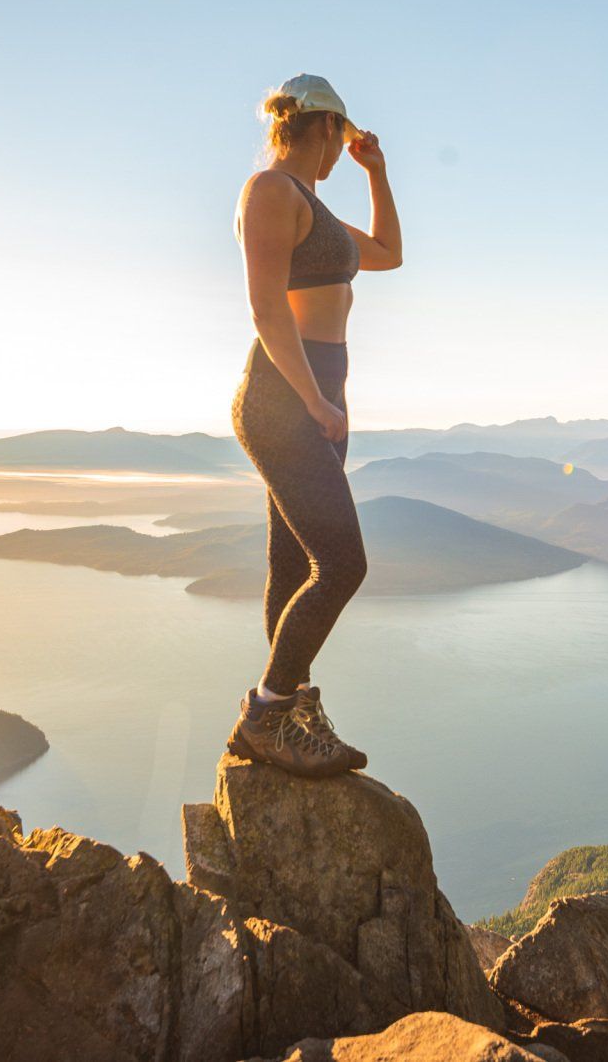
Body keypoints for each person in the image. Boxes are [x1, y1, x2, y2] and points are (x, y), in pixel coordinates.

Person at [225, 74, 402, 777]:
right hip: (285, 397)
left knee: (293, 564)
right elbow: (267, 310)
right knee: (343, 564)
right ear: (325, 128)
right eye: (341, 138)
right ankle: (267, 715)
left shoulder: (314, 207)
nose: (340, 152)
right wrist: (314, 401)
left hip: (315, 395)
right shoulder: (270, 191)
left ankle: (290, 707)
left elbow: (389, 252)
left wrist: (378, 176)